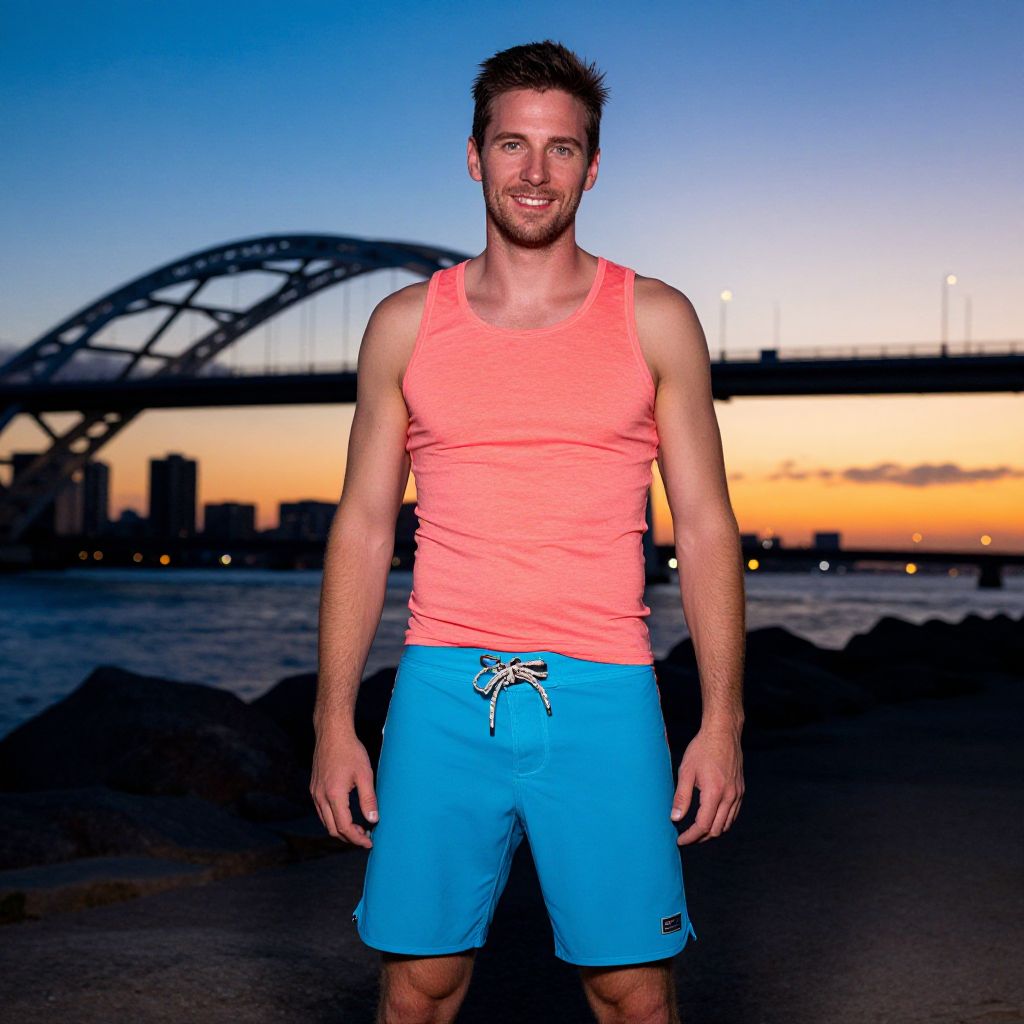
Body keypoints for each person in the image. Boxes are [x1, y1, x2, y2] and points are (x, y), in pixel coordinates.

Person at [312, 39, 746, 1024]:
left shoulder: (656, 318)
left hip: (604, 688)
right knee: (417, 985)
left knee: (632, 988)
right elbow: (364, 524)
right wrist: (331, 718)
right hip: (438, 693)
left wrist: (721, 722)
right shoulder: (403, 324)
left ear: (592, 167)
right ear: (474, 156)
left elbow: (708, 526)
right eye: (512, 145)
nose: (534, 172)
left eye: (560, 150)